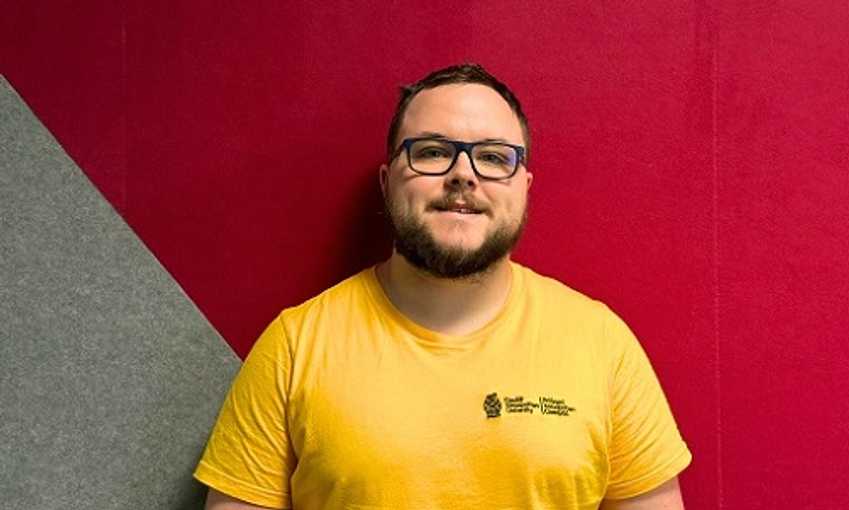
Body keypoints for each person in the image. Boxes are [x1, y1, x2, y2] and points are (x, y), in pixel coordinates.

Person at [194, 63, 692, 510]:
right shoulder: (295, 347)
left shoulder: (601, 345)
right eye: (432, 152)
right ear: (388, 182)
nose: (463, 175)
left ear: (524, 188)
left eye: (494, 158)